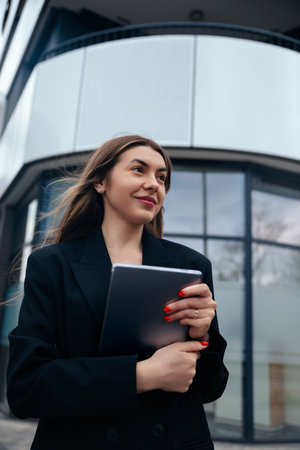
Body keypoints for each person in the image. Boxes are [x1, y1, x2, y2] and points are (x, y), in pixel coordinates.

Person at [6, 135, 228, 450]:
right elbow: (25, 388)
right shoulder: (51, 265)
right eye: (139, 170)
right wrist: (142, 375)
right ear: (101, 182)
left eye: (161, 177)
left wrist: (202, 333)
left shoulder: (191, 265)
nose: (154, 184)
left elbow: (209, 388)